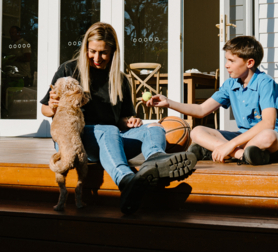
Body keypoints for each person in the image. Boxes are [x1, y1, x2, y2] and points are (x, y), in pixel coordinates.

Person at [40, 22, 197, 215]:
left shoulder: (120, 80)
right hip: (76, 140)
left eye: (104, 53)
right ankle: (127, 180)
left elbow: (122, 119)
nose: (97, 58)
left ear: (113, 52)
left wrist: (130, 122)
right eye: (92, 51)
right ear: (85, 49)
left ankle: (156, 161)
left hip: (110, 139)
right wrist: (54, 106)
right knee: (109, 129)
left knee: (154, 127)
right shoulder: (69, 70)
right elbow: (44, 110)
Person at [147, 36, 278, 165]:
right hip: (244, 139)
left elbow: (268, 124)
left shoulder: (265, 83)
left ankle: (218, 150)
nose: (226, 65)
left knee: (267, 136)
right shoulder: (230, 85)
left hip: (276, 140)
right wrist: (169, 102)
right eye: (227, 60)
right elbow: (201, 110)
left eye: (231, 61)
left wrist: (230, 145)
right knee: (197, 131)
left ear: (249, 63)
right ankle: (242, 155)